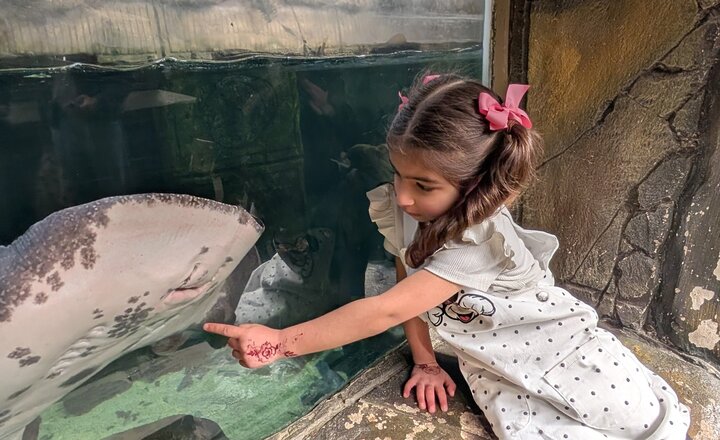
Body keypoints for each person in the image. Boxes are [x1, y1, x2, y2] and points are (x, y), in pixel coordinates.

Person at [204, 74, 690, 439]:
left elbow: (386, 309)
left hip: (560, 351)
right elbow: (406, 274)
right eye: (398, 174)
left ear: (475, 184)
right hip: (494, 364)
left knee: (648, 423)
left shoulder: (476, 241)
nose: (402, 196)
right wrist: (425, 361)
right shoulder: (409, 210)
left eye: (423, 184)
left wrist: (280, 342)